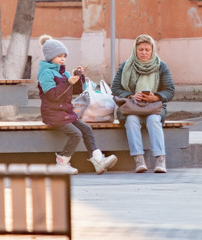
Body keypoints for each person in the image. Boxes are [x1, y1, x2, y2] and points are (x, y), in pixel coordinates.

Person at [37, 35, 117, 174]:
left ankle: (98, 160)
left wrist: (79, 78)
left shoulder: (64, 73)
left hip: (66, 113)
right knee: (76, 134)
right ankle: (62, 162)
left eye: (64, 56)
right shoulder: (45, 73)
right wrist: (68, 82)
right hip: (53, 114)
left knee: (86, 130)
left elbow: (77, 91)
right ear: (50, 57)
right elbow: (52, 95)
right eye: (59, 56)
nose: (62, 59)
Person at [110, 34, 176, 173]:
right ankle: (139, 160)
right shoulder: (126, 65)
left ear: (152, 50)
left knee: (153, 120)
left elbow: (169, 91)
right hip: (131, 107)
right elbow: (115, 89)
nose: (144, 53)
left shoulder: (160, 66)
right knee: (131, 121)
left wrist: (156, 97)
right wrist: (131, 95)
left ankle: (160, 160)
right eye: (140, 49)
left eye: (147, 49)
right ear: (135, 50)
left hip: (154, 107)